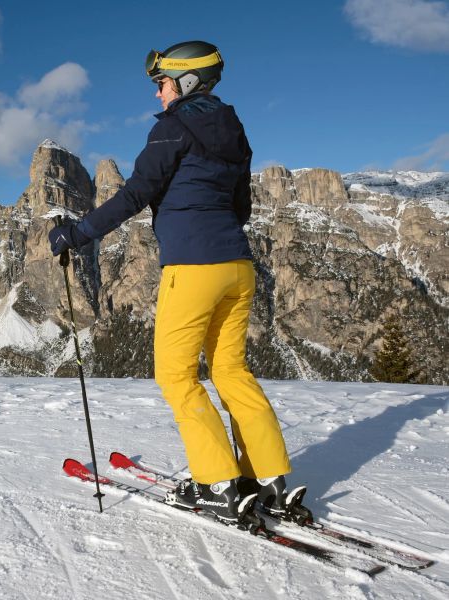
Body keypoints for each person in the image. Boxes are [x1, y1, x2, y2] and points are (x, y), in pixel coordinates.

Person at [49, 40, 295, 525]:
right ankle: (268, 478)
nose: (158, 95)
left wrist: (75, 235)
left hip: (193, 269)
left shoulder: (172, 128)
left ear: (185, 81)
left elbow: (135, 195)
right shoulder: (232, 128)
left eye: (161, 84)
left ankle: (217, 482)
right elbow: (241, 206)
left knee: (176, 377)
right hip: (238, 268)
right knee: (230, 372)